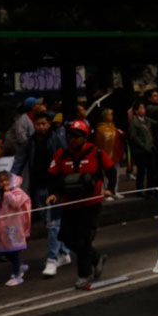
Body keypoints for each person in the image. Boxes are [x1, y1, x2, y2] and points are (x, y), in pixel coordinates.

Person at [46, 120, 117, 289]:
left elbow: (111, 171)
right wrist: (53, 194)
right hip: (69, 204)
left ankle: (84, 275)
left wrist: (110, 190)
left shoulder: (97, 153)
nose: (73, 139)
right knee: (67, 239)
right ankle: (96, 257)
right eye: (70, 136)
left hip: (90, 204)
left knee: (83, 239)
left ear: (85, 138)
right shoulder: (61, 154)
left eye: (77, 137)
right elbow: (53, 176)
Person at [12, 111, 71, 277]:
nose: (41, 127)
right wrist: (10, 182)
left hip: (54, 187)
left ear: (49, 124)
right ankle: (64, 253)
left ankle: (51, 260)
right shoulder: (30, 142)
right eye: (38, 124)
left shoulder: (57, 140)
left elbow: (65, 162)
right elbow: (19, 161)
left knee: (53, 224)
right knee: (49, 222)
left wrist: (61, 186)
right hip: (37, 187)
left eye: (44, 124)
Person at [0, 170, 31, 286]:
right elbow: (2, 211)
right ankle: (20, 266)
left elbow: (15, 204)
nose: (4, 183)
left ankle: (17, 274)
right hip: (6, 227)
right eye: (1, 181)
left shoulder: (17, 192)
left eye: (6, 180)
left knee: (13, 252)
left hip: (15, 227)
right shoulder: (3, 194)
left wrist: (8, 193)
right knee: (7, 252)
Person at [127, 101, 156, 195]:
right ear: (136, 111)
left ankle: (150, 188)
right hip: (140, 150)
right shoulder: (134, 122)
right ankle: (140, 190)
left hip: (150, 148)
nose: (143, 110)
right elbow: (133, 136)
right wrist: (143, 145)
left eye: (143, 108)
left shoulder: (147, 120)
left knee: (151, 169)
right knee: (141, 170)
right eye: (141, 108)